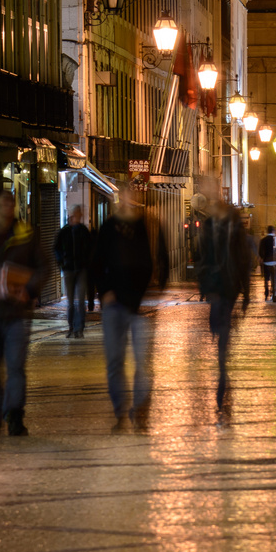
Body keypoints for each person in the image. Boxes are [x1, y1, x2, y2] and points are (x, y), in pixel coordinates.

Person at [92, 182, 168, 434]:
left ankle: (141, 409)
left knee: (143, 362)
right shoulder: (108, 228)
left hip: (139, 306)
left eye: (130, 195)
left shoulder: (145, 226)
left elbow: (154, 261)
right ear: (118, 198)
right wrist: (105, 293)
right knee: (115, 361)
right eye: (123, 195)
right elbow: (97, 263)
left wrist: (150, 292)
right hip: (114, 305)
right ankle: (120, 410)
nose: (127, 199)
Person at [0, 190, 46, 437]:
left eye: (11, 204)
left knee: (15, 367)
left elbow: (43, 266)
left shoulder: (27, 235)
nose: (8, 208)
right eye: (2, 204)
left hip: (17, 314)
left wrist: (30, 288)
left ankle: (14, 416)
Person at [196, 181, 250, 420]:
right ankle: (222, 355)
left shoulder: (234, 227)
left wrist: (246, 291)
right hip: (215, 285)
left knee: (222, 326)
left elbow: (243, 257)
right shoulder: (208, 225)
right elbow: (202, 255)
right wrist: (203, 286)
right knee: (217, 324)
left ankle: (222, 366)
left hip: (228, 286)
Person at [54, 205, 94, 338]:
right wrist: (62, 261)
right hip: (69, 269)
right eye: (76, 214)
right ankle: (71, 327)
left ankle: (80, 328)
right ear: (71, 215)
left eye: (79, 214)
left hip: (81, 269)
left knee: (81, 300)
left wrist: (87, 263)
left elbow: (90, 249)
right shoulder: (64, 231)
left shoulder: (83, 231)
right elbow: (57, 248)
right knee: (70, 301)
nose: (78, 216)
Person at [258, 225, 276, 301]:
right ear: (273, 231)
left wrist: (262, 257)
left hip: (266, 262)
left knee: (266, 278)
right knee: (274, 278)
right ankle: (273, 293)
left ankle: (266, 293)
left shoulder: (263, 240)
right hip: (275, 262)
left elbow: (260, 251)